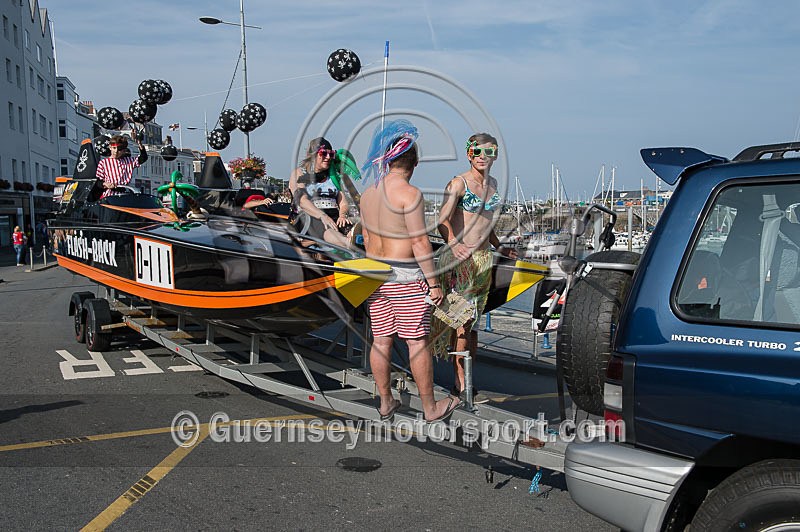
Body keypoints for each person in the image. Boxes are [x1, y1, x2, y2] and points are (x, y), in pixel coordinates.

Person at [360, 119, 460, 422]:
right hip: (405, 278)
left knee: (381, 340)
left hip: (374, 276)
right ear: (414, 162)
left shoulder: (368, 193)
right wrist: (434, 284)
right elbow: (418, 242)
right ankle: (430, 408)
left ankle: (386, 400)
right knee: (416, 342)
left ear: (387, 159)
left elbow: (364, 238)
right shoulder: (410, 194)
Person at [432, 133, 518, 403]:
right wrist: (455, 244)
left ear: (495, 155)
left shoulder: (493, 183)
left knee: (471, 324)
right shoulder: (458, 183)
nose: (483, 156)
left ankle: (466, 377)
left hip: (482, 260)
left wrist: (499, 247)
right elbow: (441, 220)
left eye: (489, 151)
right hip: (459, 262)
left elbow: (486, 223)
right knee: (461, 321)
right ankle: (459, 383)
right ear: (469, 154)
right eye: (478, 151)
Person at [288, 137, 351, 247]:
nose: (328, 157)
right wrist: (323, 216)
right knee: (325, 226)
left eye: (331, 154)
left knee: (349, 227)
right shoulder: (300, 173)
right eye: (323, 154)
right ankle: (347, 243)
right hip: (309, 217)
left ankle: (356, 241)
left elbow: (343, 202)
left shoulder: (333, 177)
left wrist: (342, 215)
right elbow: (302, 201)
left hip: (333, 216)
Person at [96, 133, 147, 198]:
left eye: (119, 149)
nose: (116, 151)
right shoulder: (103, 163)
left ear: (124, 151)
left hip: (124, 194)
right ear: (110, 147)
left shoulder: (128, 161)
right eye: (114, 148)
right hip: (110, 195)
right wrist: (105, 184)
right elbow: (98, 182)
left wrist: (140, 143)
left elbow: (143, 158)